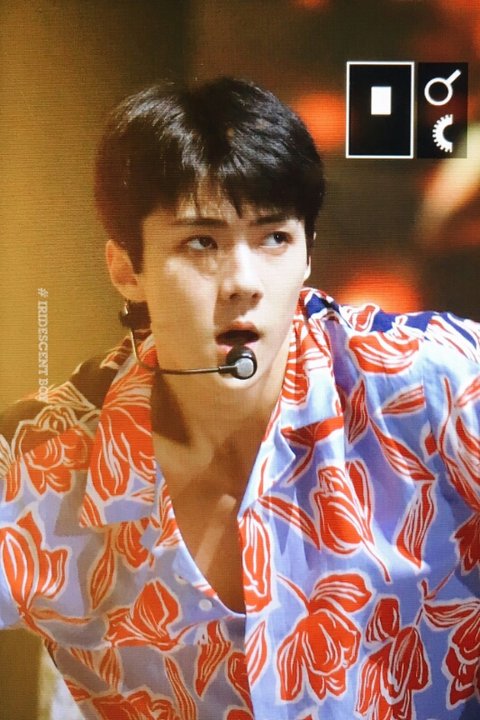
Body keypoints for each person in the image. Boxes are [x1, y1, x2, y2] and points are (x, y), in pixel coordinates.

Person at [0, 77, 479, 720]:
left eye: (274, 237)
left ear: (308, 254)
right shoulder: (37, 458)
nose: (244, 282)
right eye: (201, 242)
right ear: (126, 270)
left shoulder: (437, 384)